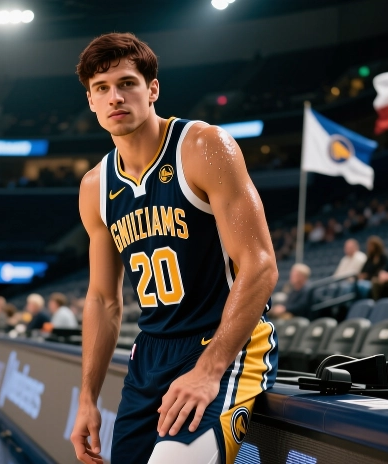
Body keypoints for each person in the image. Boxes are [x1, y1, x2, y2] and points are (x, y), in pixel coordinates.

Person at [70, 33, 279, 464]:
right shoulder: (94, 186)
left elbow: (259, 265)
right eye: (101, 88)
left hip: (223, 340)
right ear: (90, 101)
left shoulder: (203, 146)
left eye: (127, 83)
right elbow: (103, 300)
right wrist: (87, 398)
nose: (115, 97)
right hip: (150, 354)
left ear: (152, 89)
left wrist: (209, 368)